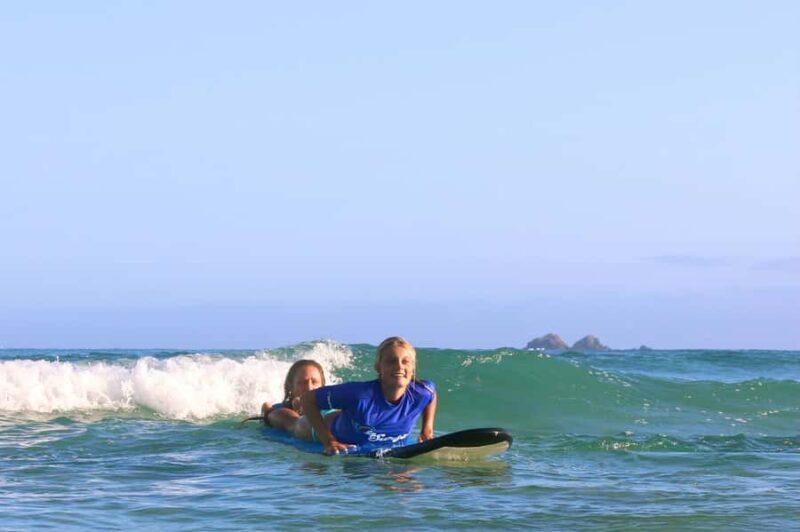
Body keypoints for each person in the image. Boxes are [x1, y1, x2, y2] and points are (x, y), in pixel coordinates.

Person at [300, 336, 437, 455]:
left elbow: (432, 395)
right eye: (391, 361)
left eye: (405, 361)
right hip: (326, 426)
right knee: (293, 424)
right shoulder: (360, 395)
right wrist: (329, 440)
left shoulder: (422, 391)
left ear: (412, 368)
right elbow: (307, 399)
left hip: (351, 417)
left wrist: (427, 429)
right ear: (378, 368)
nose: (399, 366)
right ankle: (288, 411)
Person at [261, 359, 338, 440]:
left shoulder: (331, 408)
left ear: (323, 386)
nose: (309, 388)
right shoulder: (279, 409)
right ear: (291, 386)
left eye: (314, 382)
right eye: (303, 382)